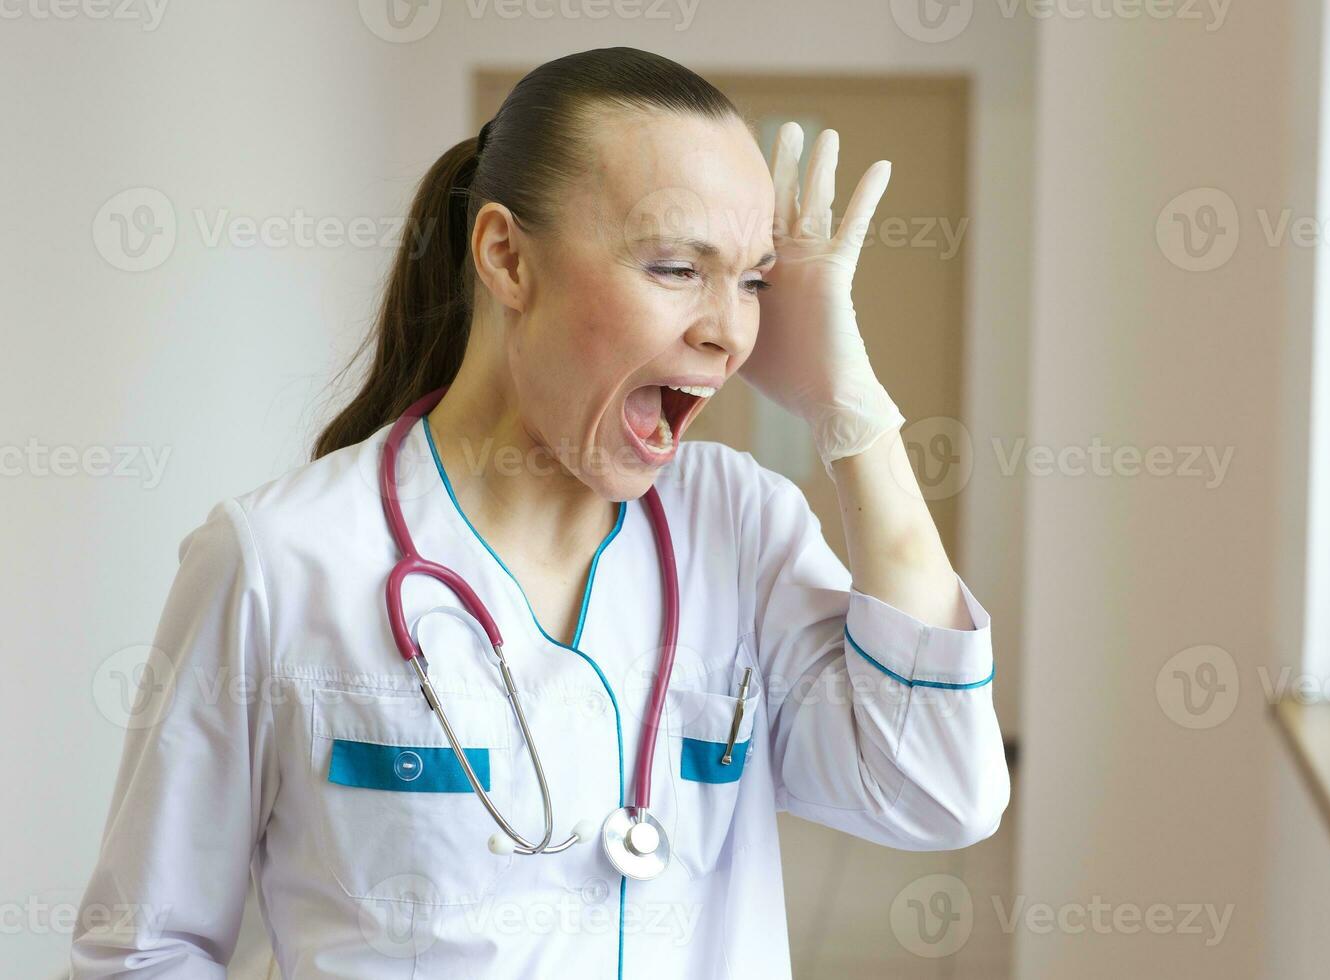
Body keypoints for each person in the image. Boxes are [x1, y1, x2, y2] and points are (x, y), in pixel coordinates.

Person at [69, 45, 1009, 978]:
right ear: (508, 258)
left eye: (754, 280)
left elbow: (940, 791)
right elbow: (142, 951)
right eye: (680, 267)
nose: (727, 332)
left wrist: (850, 408)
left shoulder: (741, 527)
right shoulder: (282, 560)